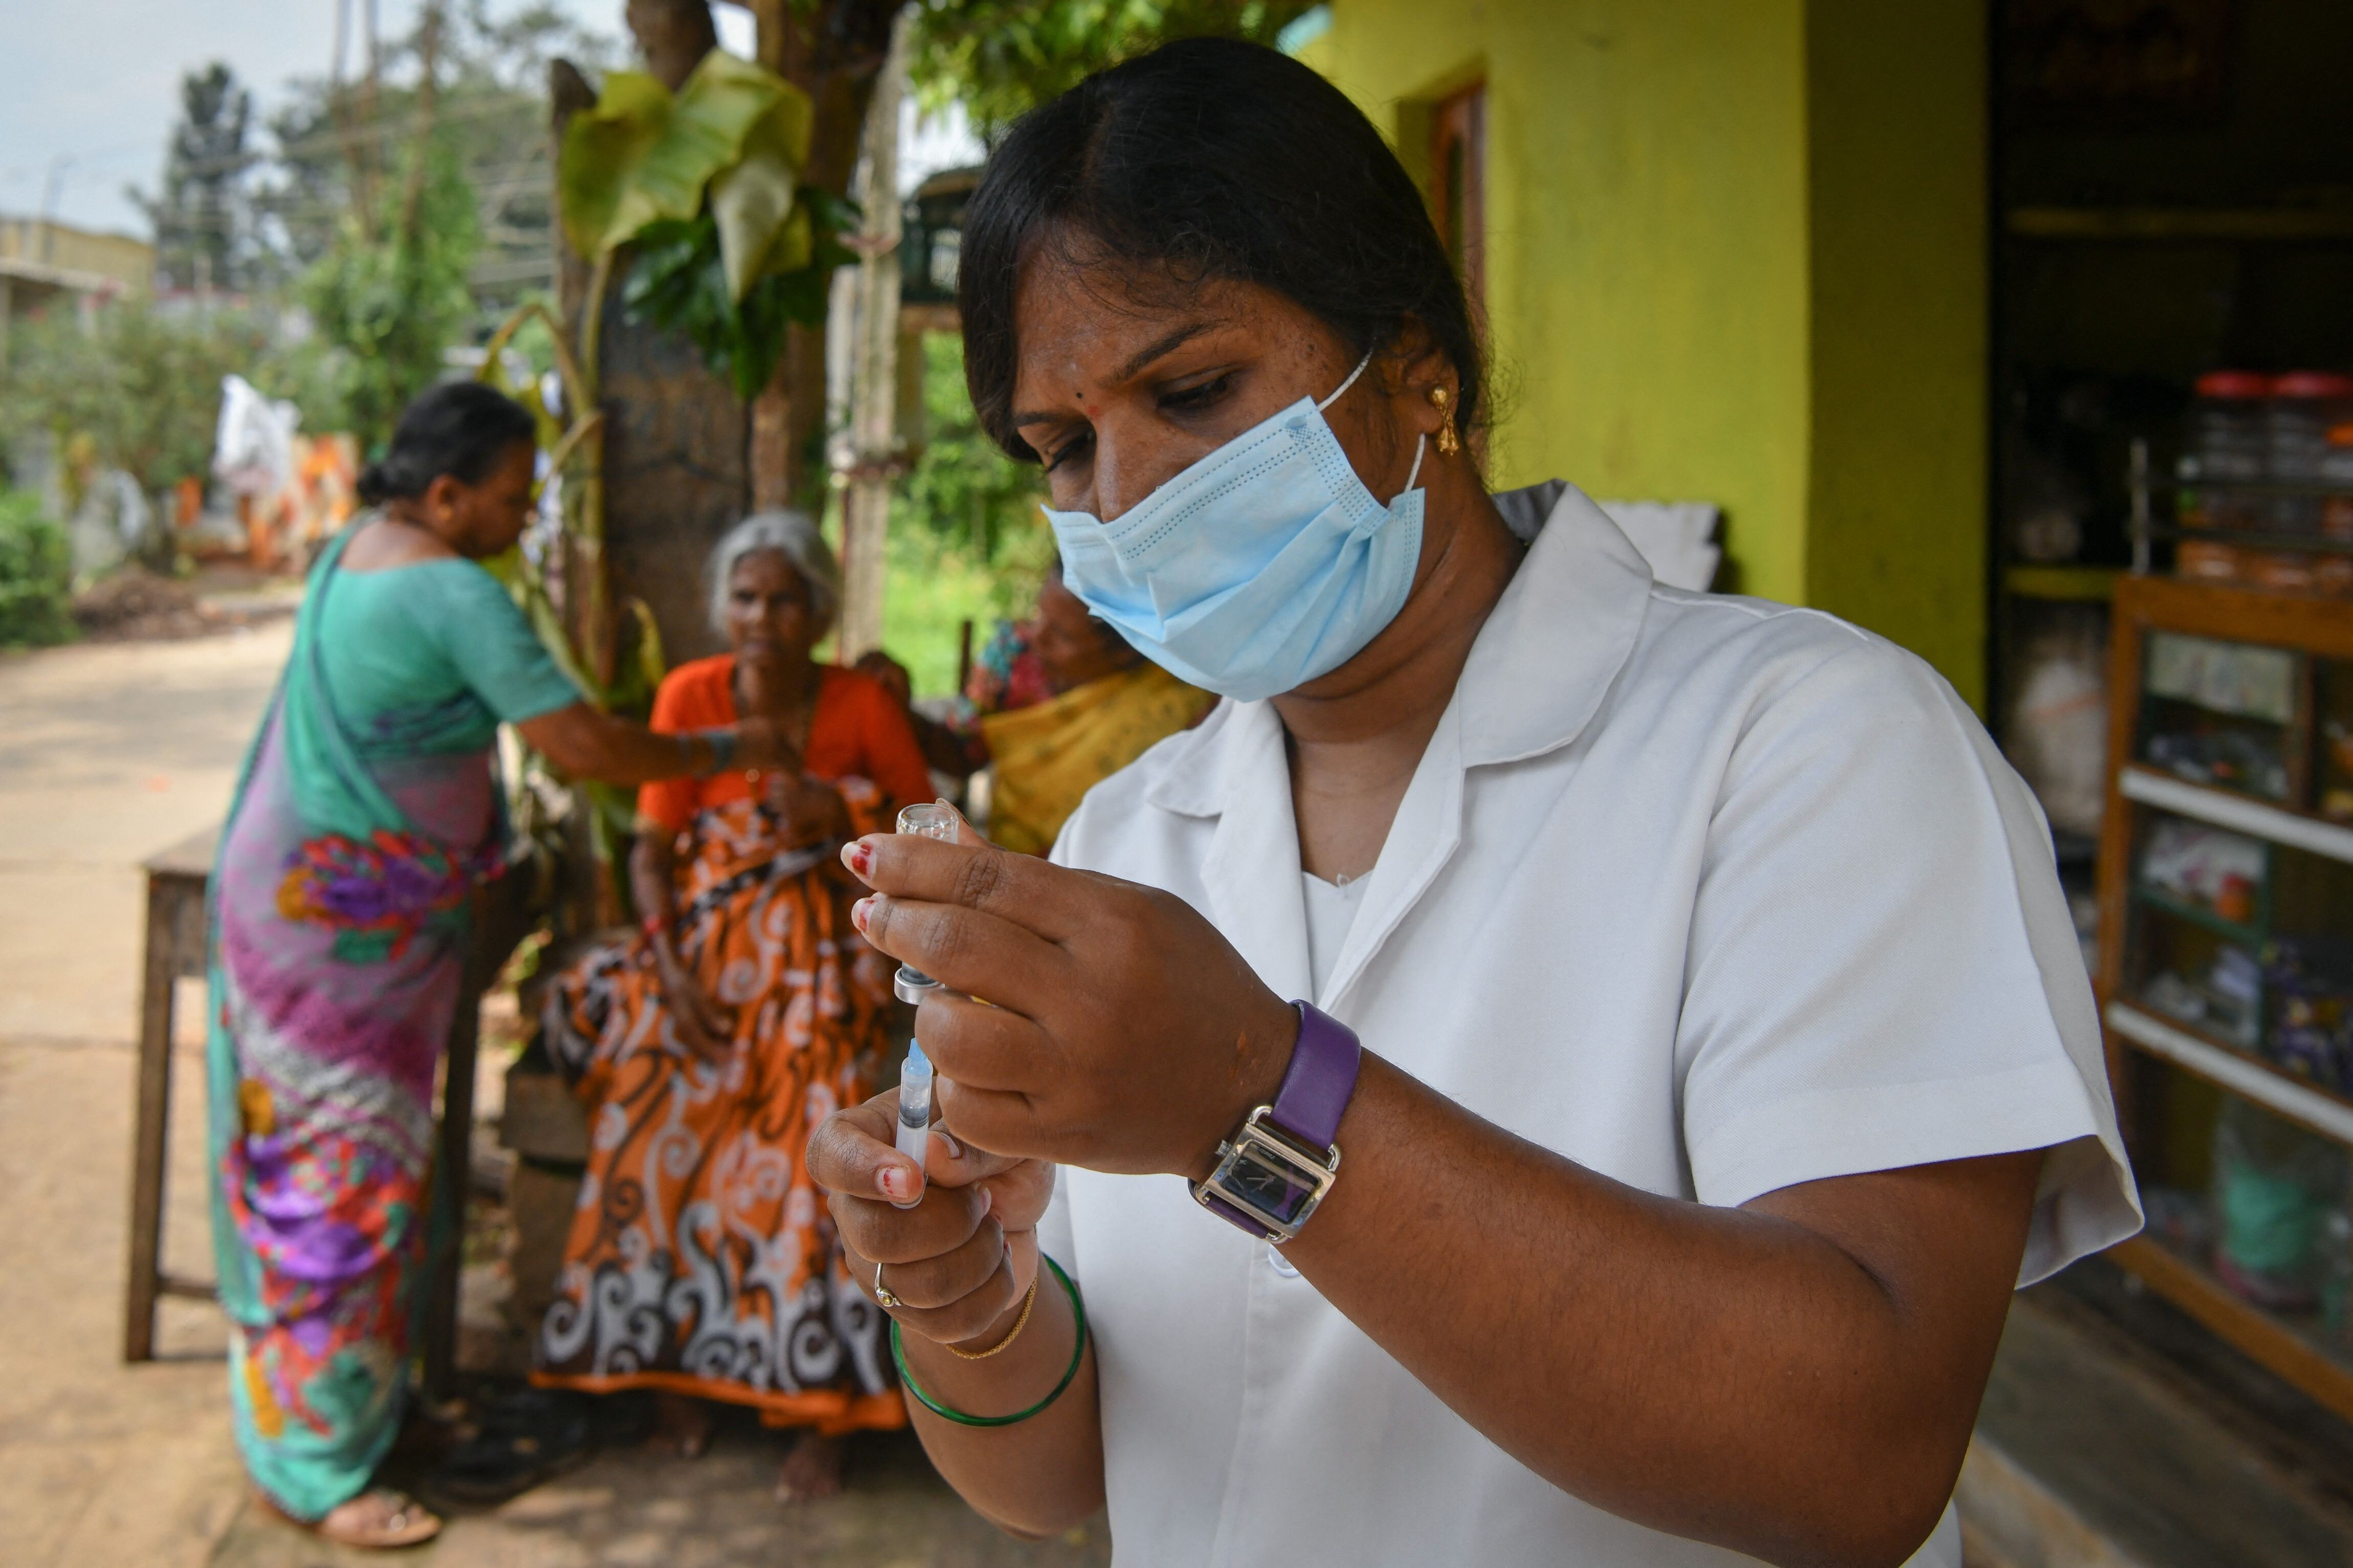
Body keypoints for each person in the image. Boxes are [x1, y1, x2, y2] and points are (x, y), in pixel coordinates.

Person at [807, 38, 2140, 1568]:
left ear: (1417, 361)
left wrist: (1258, 1096)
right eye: (1065, 447)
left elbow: (1862, 1452)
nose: (1131, 495)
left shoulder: (1811, 748)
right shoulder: (1135, 834)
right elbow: (1061, 1480)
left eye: (1192, 389)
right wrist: (964, 1281)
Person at [208, 382, 792, 1549]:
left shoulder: (351, 555)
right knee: (345, 1189)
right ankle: (313, 1468)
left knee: (353, 1172)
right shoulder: (451, 592)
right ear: (445, 497)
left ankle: (364, 1416)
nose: (525, 524)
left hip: (303, 917)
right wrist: (733, 745)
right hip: (337, 945)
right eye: (513, 502)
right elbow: (584, 749)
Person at [534, 511, 935, 1501]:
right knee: (653, 1108)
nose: (762, 616)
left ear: (815, 609)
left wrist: (838, 813)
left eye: (783, 597)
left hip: (818, 971)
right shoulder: (688, 696)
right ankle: (673, 1365)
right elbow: (651, 852)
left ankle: (816, 1407)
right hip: (702, 964)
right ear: (725, 607)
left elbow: (930, 833)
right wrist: (667, 975)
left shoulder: (858, 705)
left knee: (812, 1138)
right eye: (745, 597)